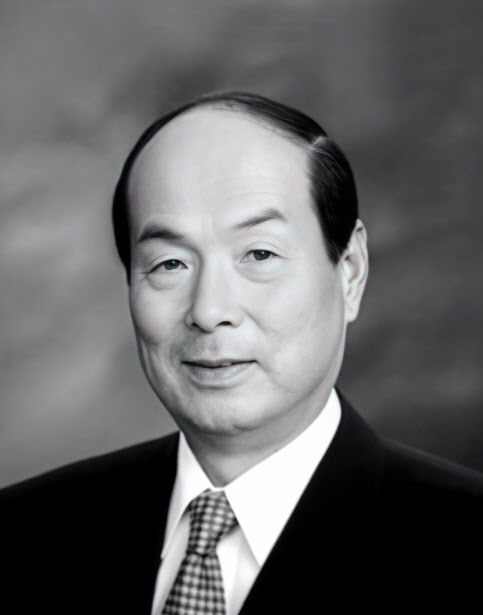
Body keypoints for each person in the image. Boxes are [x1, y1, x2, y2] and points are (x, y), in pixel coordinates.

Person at [1, 91, 482, 615]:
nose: (209, 311)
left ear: (350, 272)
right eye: (169, 264)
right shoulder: (24, 533)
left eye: (259, 254)